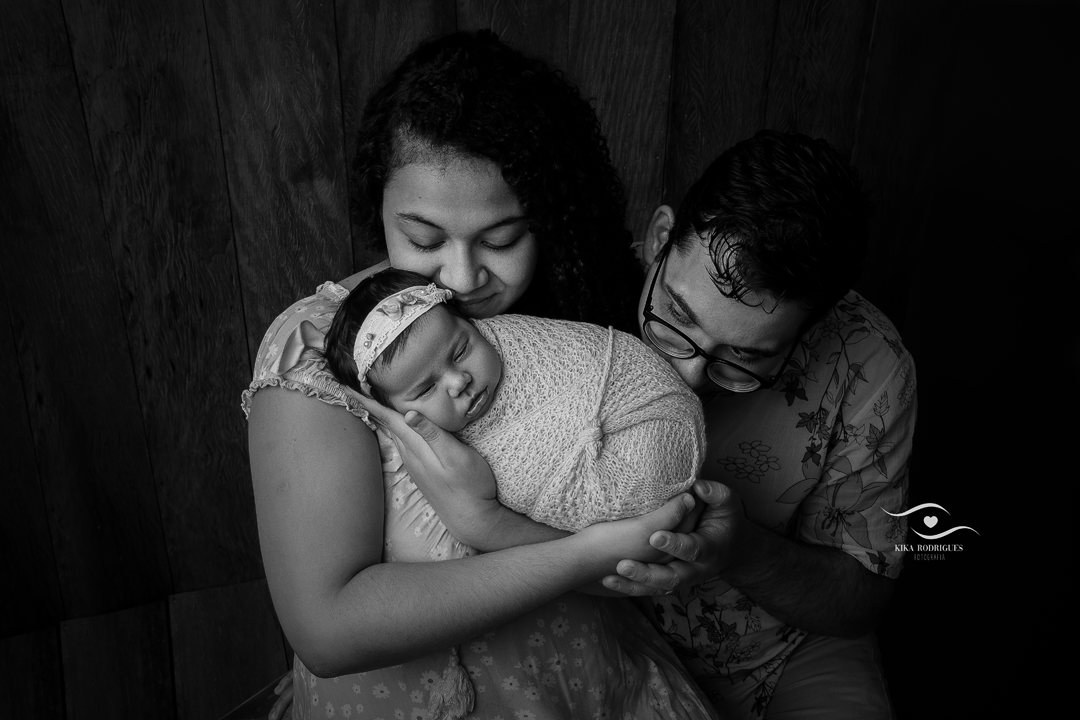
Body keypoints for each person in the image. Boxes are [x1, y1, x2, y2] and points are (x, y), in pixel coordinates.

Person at [244, 30, 721, 720]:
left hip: (592, 687)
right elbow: (329, 631)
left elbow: (638, 556)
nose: (463, 278)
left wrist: (495, 525)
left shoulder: (577, 322)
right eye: (424, 238)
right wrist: (570, 553)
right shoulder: (314, 352)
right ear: (378, 208)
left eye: (502, 240)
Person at [596, 130, 918, 718]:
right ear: (661, 238)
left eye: (744, 358)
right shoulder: (582, 282)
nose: (688, 375)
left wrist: (739, 550)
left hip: (779, 656)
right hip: (595, 631)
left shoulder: (870, 365)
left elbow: (861, 599)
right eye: (675, 317)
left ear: (810, 330)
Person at [322, 268, 705, 533]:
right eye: (425, 390)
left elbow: (597, 357)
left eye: (461, 351)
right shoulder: (438, 453)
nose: (459, 381)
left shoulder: (523, 342)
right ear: (395, 409)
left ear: (470, 323)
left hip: (651, 408)